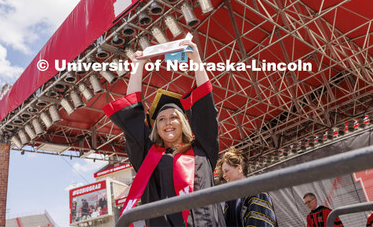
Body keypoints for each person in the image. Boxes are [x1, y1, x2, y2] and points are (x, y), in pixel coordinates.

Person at [103, 39, 225, 227]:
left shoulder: (203, 150)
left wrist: (197, 61)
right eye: (161, 119)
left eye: (173, 117)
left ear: (183, 122)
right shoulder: (148, 156)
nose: (168, 123)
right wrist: (138, 67)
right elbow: (133, 117)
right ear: (156, 127)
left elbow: (206, 110)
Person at [216, 147, 278, 227]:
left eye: (226, 171)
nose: (224, 176)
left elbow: (261, 223)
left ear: (239, 168)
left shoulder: (256, 189)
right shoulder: (230, 200)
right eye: (223, 172)